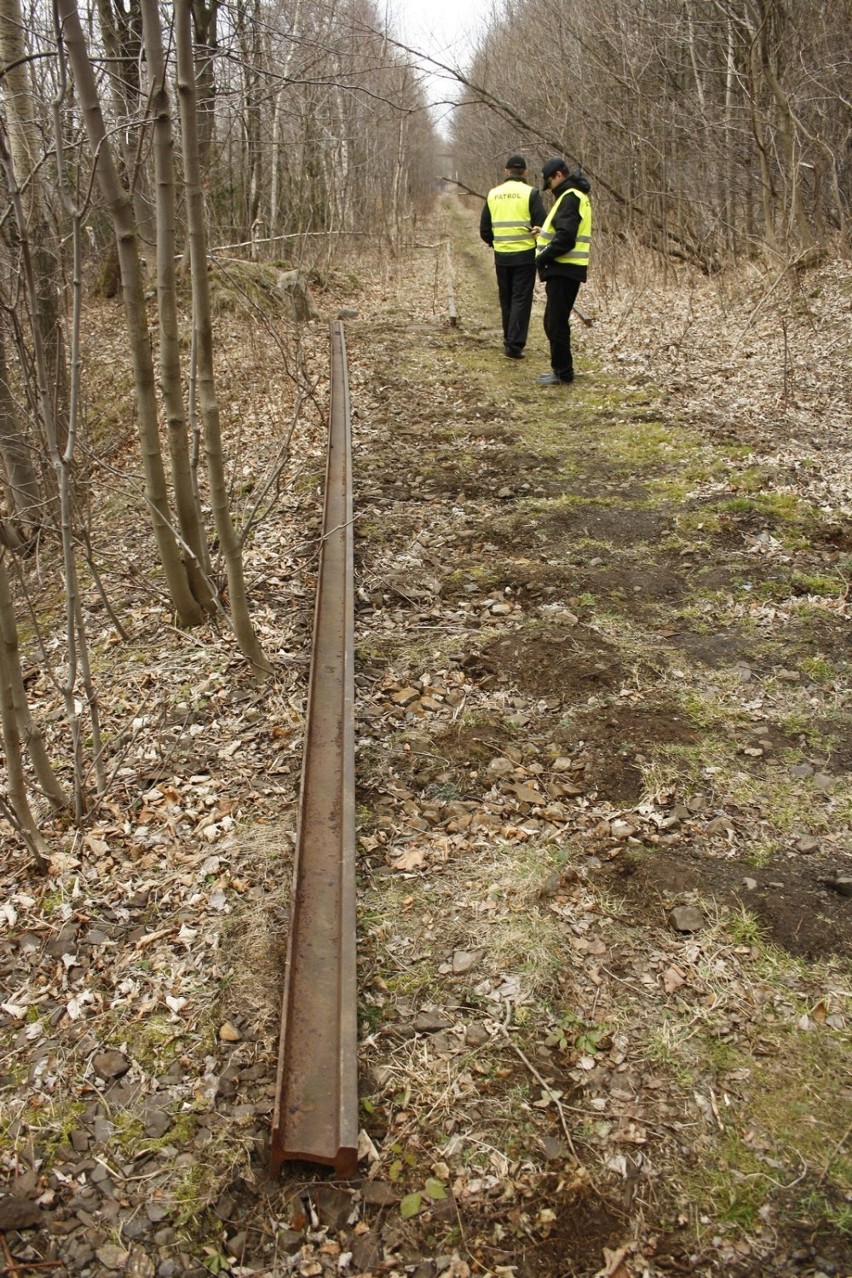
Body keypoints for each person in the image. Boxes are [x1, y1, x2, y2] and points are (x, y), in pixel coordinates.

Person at [480, 155, 546, 359]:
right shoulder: (531, 193)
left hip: (501, 256)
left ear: (506, 171)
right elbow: (542, 225)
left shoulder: (493, 194)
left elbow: (484, 230)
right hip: (525, 255)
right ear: (525, 172)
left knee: (506, 299)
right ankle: (514, 345)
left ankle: (508, 340)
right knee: (521, 299)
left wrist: (496, 242)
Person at [535, 158, 592, 385]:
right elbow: (564, 231)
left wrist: (543, 256)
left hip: (564, 268)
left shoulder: (570, 198)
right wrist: (543, 233)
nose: (550, 188)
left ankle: (563, 373)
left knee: (555, 322)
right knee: (552, 321)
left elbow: (566, 238)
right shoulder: (575, 196)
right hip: (567, 269)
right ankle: (561, 371)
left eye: (550, 182)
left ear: (559, 175)